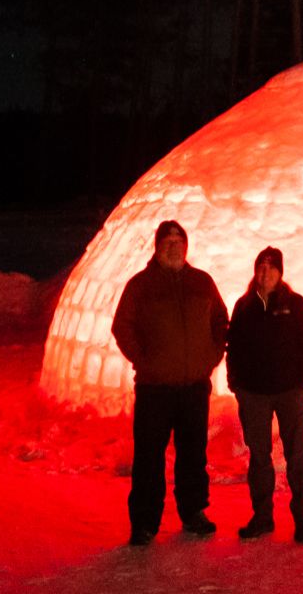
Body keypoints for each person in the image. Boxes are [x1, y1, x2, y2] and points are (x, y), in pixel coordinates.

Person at [110, 218, 229, 546]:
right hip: (155, 388)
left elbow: (220, 320)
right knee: (149, 456)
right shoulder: (140, 285)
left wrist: (212, 355)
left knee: (193, 453)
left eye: (179, 242)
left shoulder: (202, 282)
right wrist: (144, 359)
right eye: (168, 243)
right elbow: (122, 326)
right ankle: (145, 522)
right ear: (158, 247)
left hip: (194, 386)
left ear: (186, 247)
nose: (174, 248)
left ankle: (193, 512)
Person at [226, 245, 303, 543]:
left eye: (271, 267)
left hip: (290, 391)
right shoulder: (244, 306)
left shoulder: (296, 304)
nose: (265, 273)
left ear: (280, 272)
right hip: (254, 394)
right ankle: (263, 517)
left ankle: (302, 519)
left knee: (296, 455)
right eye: (261, 267)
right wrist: (236, 382)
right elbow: (233, 347)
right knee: (259, 457)